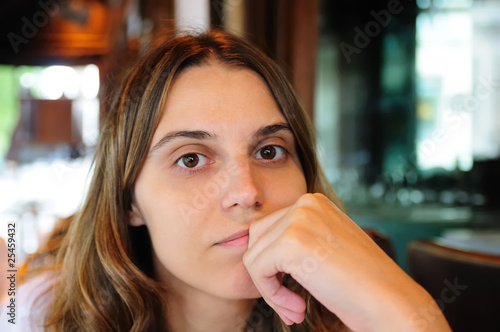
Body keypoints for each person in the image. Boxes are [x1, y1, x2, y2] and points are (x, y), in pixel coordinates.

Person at [9, 29, 451, 331]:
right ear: (129, 201)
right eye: (192, 159)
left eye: (269, 151)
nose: (246, 192)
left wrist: (411, 316)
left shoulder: (360, 318)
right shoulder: (38, 315)